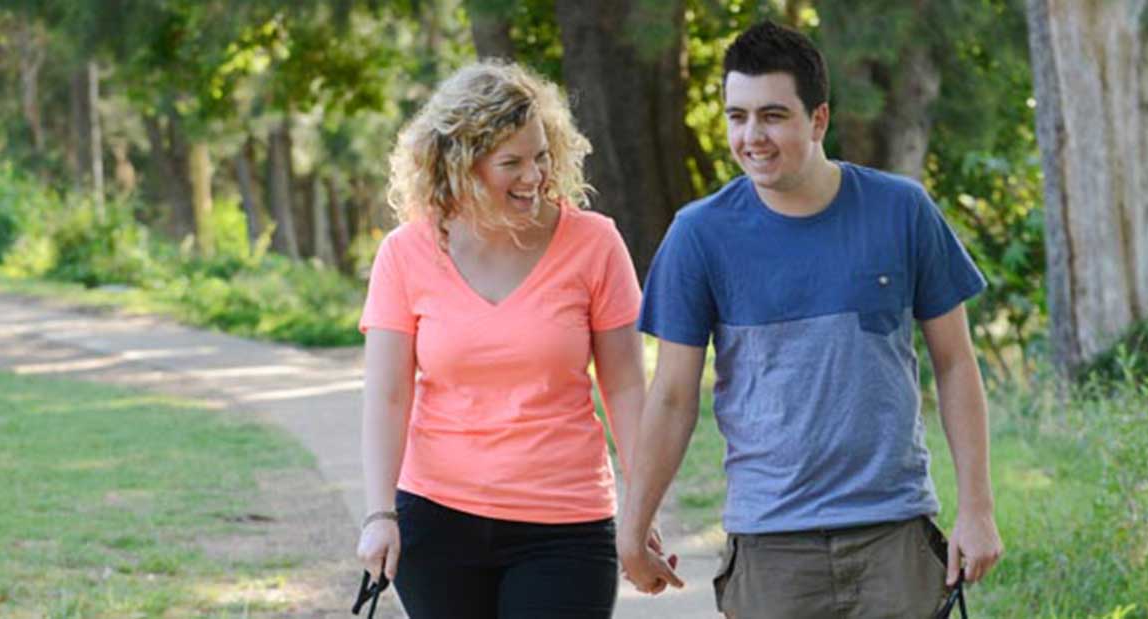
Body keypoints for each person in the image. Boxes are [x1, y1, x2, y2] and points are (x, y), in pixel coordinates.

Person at [616, 20, 1005, 618]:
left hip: (893, 536)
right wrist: (634, 525)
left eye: (772, 115)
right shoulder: (699, 235)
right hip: (772, 550)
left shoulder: (902, 211)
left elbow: (955, 364)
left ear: (818, 119)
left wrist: (977, 510)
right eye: (736, 116)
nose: (752, 137)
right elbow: (670, 397)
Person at [353, 60, 652, 618]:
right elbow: (389, 395)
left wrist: (641, 508)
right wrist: (379, 514)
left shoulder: (595, 243)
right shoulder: (405, 252)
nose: (534, 176)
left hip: (566, 523)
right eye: (510, 162)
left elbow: (627, 387)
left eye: (540, 156)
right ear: (459, 166)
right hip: (436, 518)